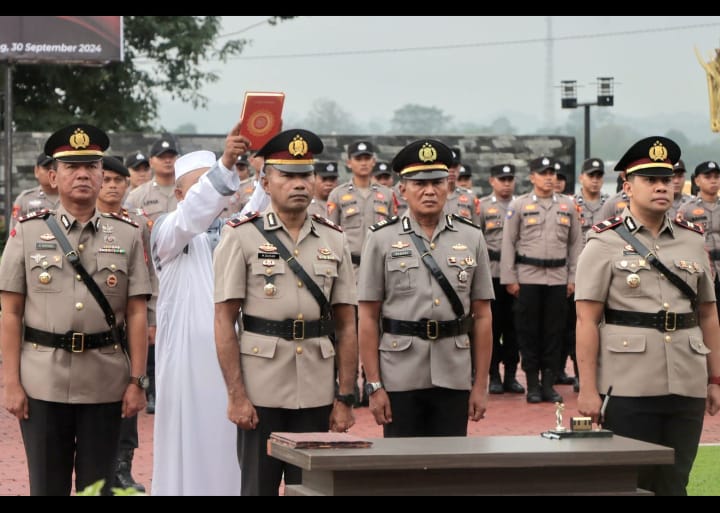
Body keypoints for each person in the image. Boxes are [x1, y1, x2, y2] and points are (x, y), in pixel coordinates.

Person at [0, 124, 151, 496]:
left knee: (97, 487)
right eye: (71, 167)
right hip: (42, 382)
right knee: (46, 486)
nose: (82, 174)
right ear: (53, 176)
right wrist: (11, 383)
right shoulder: (27, 233)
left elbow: (135, 313)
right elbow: (10, 312)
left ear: (102, 175)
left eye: (91, 166)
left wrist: (136, 381)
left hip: (105, 382)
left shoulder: (128, 234)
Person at [213, 128, 358, 496]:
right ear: (265, 181)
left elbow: (346, 324)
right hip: (262, 391)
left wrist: (344, 396)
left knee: (314, 489)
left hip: (316, 389)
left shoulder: (334, 239)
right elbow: (224, 320)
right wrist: (236, 394)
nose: (299, 183)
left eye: (305, 175)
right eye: (287, 175)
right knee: (257, 488)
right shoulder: (241, 235)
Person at [575, 136, 720, 496]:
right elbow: (586, 321)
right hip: (627, 382)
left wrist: (715, 378)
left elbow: (708, 314)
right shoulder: (603, 243)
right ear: (627, 187)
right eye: (649, 179)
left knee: (675, 482)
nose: (661, 186)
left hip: (686, 380)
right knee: (631, 484)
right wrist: (588, 389)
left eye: (667, 179)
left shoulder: (691, 240)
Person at [357, 138, 494, 437]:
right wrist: (374, 384)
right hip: (399, 375)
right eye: (419, 183)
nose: (429, 191)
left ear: (449, 186)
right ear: (402, 189)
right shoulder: (381, 239)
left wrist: (480, 385)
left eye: (437, 182)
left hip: (454, 373)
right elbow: (367, 316)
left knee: (449, 473)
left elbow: (482, 315)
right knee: (401, 473)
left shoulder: (472, 237)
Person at [150, 129, 248, 496]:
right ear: (178, 194)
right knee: (185, 448)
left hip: (233, 361)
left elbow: (255, 208)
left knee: (232, 452)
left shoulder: (236, 233)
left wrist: (266, 172)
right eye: (201, 186)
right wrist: (224, 165)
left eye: (219, 185)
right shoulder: (169, 232)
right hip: (185, 364)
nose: (214, 196)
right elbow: (195, 212)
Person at [500, 156, 583, 404]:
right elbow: (508, 242)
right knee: (528, 333)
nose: (549, 177)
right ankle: (533, 385)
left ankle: (548, 384)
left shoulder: (567, 205)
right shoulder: (520, 205)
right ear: (532, 177)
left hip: (558, 279)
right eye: (543, 173)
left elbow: (576, 244)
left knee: (554, 333)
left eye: (552, 173)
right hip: (528, 278)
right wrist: (509, 278)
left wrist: (573, 278)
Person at [97, 156, 154, 493]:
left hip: (128, 322)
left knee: (130, 392)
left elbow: (150, 276)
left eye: (119, 180)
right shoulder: (82, 220)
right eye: (107, 180)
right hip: (96, 323)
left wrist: (152, 317)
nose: (113, 186)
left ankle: (122, 467)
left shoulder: (138, 224)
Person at [124, 135, 180, 414]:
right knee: (151, 333)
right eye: (162, 156)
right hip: (153, 270)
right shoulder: (138, 196)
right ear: (153, 160)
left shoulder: (187, 191)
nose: (168, 160)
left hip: (184, 271)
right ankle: (153, 390)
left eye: (172, 155)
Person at [478, 164, 524, 394]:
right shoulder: (484, 206)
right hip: (492, 273)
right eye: (501, 179)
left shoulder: (522, 205)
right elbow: (477, 238)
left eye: (509, 179)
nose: (506, 183)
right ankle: (494, 375)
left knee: (514, 328)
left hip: (517, 275)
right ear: (491, 181)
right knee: (493, 327)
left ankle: (511, 376)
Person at [676, 160, 720, 318]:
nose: (713, 180)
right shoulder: (687, 209)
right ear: (697, 181)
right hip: (702, 269)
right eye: (708, 176)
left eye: (716, 176)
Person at [9, 152, 60, 230]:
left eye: (55, 169)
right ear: (36, 171)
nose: (51, 173)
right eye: (47, 168)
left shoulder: (72, 197)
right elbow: (14, 232)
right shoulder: (24, 199)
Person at [443, 147, 480, 223]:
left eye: (455, 166)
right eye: (448, 166)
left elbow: (477, 227)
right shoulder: (433, 194)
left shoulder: (470, 197)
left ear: (459, 167)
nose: (451, 170)